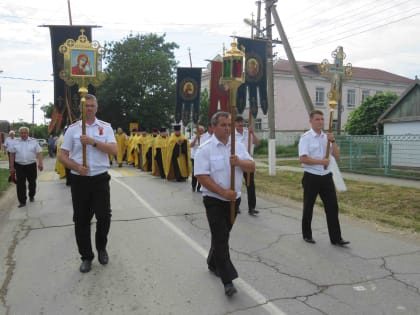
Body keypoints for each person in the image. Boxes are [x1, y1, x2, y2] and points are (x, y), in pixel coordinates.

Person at [194, 111, 255, 297]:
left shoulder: (238, 146)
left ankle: (213, 262)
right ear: (213, 127)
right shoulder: (205, 149)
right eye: (223, 125)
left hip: (234, 201)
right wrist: (223, 192)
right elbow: (202, 177)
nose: (228, 128)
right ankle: (227, 280)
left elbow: (252, 166)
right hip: (214, 200)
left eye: (229, 125)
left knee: (222, 236)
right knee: (221, 237)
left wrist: (240, 162)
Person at [58, 94, 117, 273]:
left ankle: (101, 247)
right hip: (80, 180)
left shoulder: (105, 128)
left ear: (97, 108)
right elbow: (62, 155)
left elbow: (114, 150)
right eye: (86, 106)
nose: (89, 108)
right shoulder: (73, 129)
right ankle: (86, 256)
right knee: (81, 219)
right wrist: (76, 166)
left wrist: (93, 142)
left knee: (104, 216)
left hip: (100, 178)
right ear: (81, 109)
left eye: (92, 105)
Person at [298, 109, 350, 246]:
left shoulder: (327, 137)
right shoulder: (306, 138)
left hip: (326, 177)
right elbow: (303, 159)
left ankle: (336, 238)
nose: (320, 122)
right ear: (311, 121)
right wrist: (321, 162)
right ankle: (307, 235)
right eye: (317, 119)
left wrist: (333, 141)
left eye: (322, 119)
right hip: (311, 177)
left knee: (333, 207)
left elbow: (337, 156)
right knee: (308, 206)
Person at [9, 127, 44, 207]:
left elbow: (39, 152)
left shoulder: (33, 141)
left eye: (25, 133)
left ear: (28, 133)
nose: (23, 134)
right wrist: (11, 167)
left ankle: (31, 195)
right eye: (22, 133)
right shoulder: (15, 142)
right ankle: (22, 201)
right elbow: (12, 155)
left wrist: (40, 163)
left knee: (32, 183)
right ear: (19, 134)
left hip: (31, 165)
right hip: (19, 166)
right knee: (20, 184)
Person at [235, 115, 260, 216]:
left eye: (241, 123)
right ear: (235, 124)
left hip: (248, 162)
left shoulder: (247, 132)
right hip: (237, 162)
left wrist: (252, 133)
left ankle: (252, 207)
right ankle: (236, 206)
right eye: (238, 123)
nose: (240, 125)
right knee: (236, 185)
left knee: (251, 185)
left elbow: (257, 143)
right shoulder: (232, 135)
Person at [190, 125, 205, 192]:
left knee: (201, 172)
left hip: (202, 157)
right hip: (194, 157)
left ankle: (199, 187)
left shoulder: (205, 137)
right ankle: (193, 186)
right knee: (194, 172)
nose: (199, 132)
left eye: (201, 130)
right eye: (198, 131)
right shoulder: (193, 137)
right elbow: (191, 145)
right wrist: (196, 138)